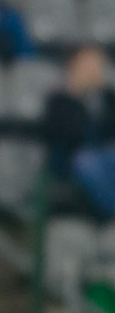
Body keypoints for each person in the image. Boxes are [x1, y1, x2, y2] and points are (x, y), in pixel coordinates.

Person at [42, 45, 115, 221]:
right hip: (71, 159)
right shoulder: (59, 100)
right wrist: (79, 100)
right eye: (88, 66)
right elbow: (67, 136)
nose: (94, 72)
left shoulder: (107, 98)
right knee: (86, 162)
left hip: (103, 155)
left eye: (98, 66)